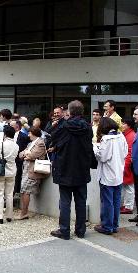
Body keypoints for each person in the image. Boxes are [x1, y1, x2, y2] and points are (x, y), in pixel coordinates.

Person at [50, 100, 93, 240]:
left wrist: (54, 127)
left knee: (65, 201)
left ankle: (64, 230)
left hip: (65, 168)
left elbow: (54, 141)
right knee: (81, 201)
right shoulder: (88, 127)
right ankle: (80, 230)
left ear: (69, 111)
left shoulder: (64, 126)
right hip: (81, 169)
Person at [93, 117, 128, 235]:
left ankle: (107, 226)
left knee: (107, 201)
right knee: (116, 200)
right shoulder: (121, 136)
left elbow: (102, 157)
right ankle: (114, 225)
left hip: (107, 175)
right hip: (119, 173)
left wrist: (95, 148)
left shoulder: (107, 139)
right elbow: (125, 153)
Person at [18, 126, 47, 220]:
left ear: (33, 133)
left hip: (33, 171)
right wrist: (27, 154)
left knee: (26, 191)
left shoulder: (40, 143)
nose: (28, 134)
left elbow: (33, 155)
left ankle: (24, 213)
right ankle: (23, 212)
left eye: (29, 133)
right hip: (26, 170)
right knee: (23, 190)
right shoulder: (31, 143)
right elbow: (21, 154)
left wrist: (27, 154)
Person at [0, 125, 19, 224]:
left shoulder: (1, 144)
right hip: (11, 171)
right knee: (9, 194)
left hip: (0, 171)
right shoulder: (16, 145)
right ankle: (9, 215)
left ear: (5, 134)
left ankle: (0, 217)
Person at [120, 118, 136, 214]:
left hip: (127, 164)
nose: (122, 125)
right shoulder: (128, 135)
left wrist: (126, 164)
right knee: (127, 185)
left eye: (123, 123)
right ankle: (126, 205)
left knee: (129, 186)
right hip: (127, 163)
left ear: (128, 125)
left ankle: (129, 206)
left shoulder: (130, 136)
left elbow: (130, 152)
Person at [10, 120, 30, 194]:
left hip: (19, 160)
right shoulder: (8, 135)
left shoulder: (23, 136)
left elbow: (27, 147)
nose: (10, 127)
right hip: (10, 159)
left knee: (17, 175)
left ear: (17, 127)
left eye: (11, 126)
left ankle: (15, 191)